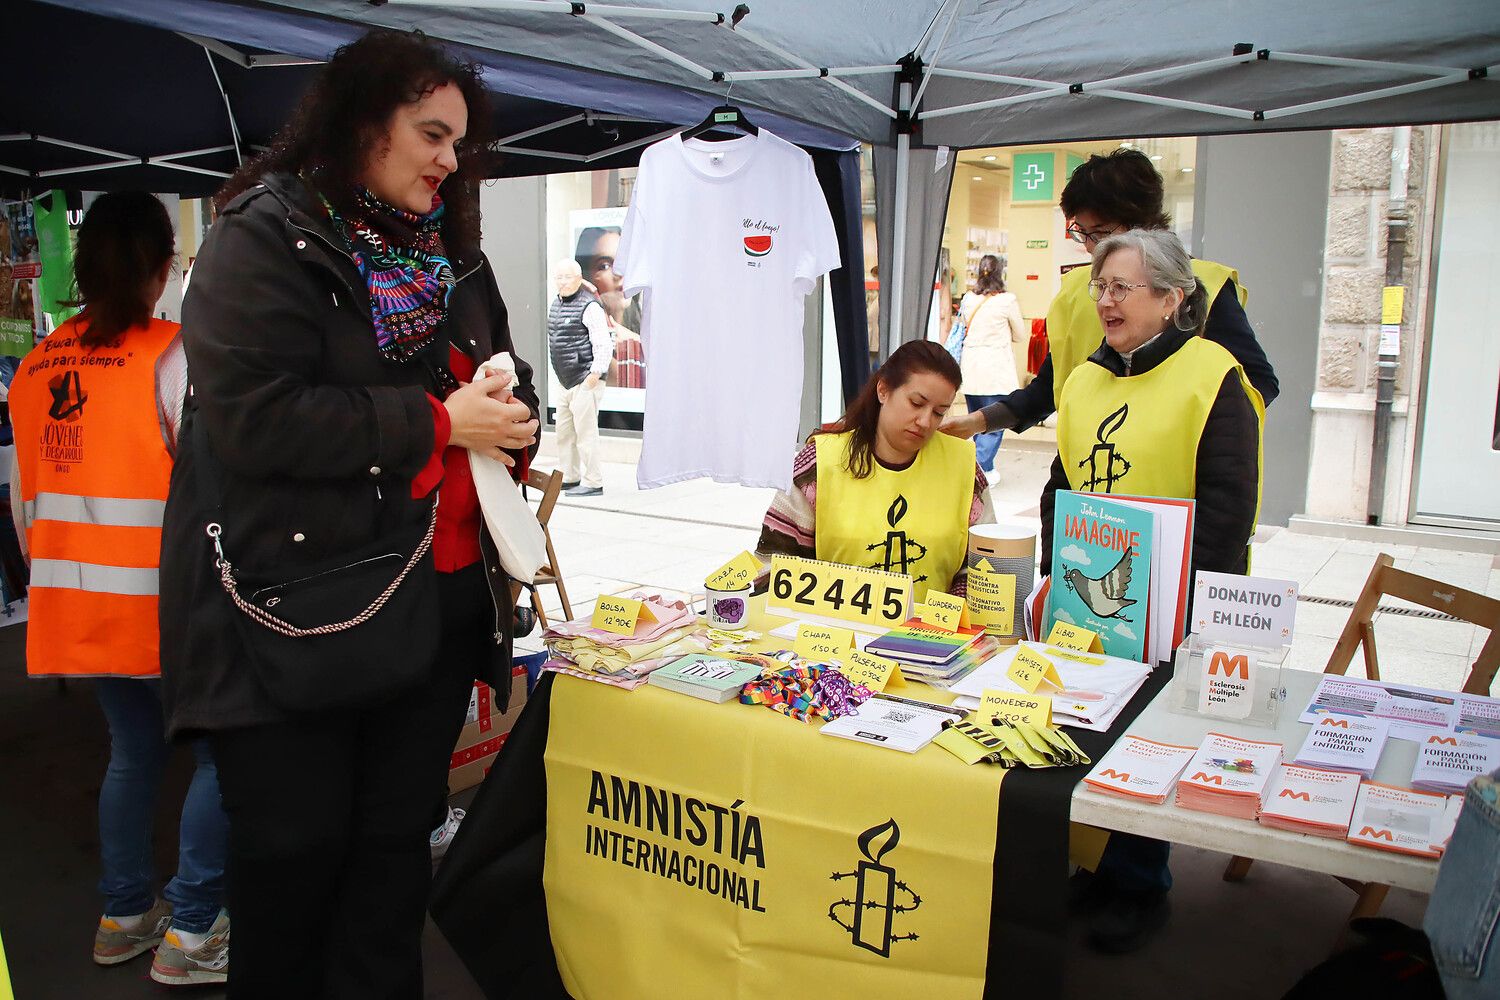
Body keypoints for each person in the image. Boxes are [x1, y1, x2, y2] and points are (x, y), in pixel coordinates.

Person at [157, 30, 540, 997]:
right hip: (297, 623)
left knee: (389, 869)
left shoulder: (452, 255)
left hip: (429, 614)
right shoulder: (264, 236)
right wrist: (438, 422)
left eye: (460, 140)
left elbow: (493, 381)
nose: (452, 160)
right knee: (293, 870)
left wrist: (506, 410)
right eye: (431, 133)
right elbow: (254, 420)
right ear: (364, 124)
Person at [7, 192, 230, 985]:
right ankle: (196, 929)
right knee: (223, 756)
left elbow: (25, 505)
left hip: (77, 609)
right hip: (170, 609)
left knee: (131, 755)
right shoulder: (178, 357)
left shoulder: (36, 365)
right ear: (162, 268)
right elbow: (215, 488)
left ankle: (125, 916)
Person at [1043, 228, 1262, 955]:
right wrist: (1054, 570)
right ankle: (1097, 866)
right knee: (1085, 730)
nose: (1105, 301)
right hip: (1091, 598)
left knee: (1148, 739)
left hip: (1176, 603)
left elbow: (1229, 505)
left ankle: (1141, 885)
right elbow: (1063, 482)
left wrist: (1185, 605)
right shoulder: (1083, 380)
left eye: (1123, 288)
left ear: (1173, 298)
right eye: (1100, 287)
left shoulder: (1213, 374)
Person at [942, 148, 1278, 440]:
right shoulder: (1076, 291)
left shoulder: (1205, 284)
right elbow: (1050, 387)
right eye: (1082, 233)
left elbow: (1257, 383)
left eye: (1101, 232)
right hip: (1090, 483)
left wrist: (1195, 436)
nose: (1091, 247)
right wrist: (979, 421)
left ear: (1145, 225)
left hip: (1172, 494)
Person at [757, 340, 994, 597]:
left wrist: (949, 615)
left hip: (934, 633)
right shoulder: (820, 462)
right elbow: (773, 565)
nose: (925, 421)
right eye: (916, 403)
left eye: (939, 412)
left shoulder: (963, 466)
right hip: (833, 630)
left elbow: (985, 565)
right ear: (883, 390)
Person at [956, 254, 1025, 483]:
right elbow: (1020, 334)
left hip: (971, 369)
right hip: (995, 371)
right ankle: (981, 471)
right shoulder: (1007, 300)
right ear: (1000, 273)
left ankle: (978, 467)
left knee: (974, 421)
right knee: (994, 423)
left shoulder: (968, 299)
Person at [548, 257, 611, 496]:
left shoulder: (590, 306)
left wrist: (594, 375)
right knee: (564, 433)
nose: (563, 282)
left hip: (585, 379)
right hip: (565, 382)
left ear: (579, 279)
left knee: (586, 434)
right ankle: (570, 476)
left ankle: (593, 481)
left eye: (568, 277)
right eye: (559, 277)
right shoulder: (557, 304)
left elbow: (602, 342)